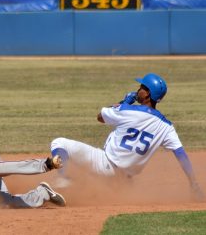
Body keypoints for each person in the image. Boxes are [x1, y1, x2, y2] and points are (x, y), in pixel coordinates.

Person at [50, 73, 204, 201]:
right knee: (105, 194)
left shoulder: (127, 110)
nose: (138, 90)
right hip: (123, 180)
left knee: (59, 142)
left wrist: (123, 102)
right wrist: (193, 183)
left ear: (148, 93)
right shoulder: (167, 127)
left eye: (142, 87)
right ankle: (87, 190)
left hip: (104, 164)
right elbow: (181, 155)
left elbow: (100, 117)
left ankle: (63, 180)